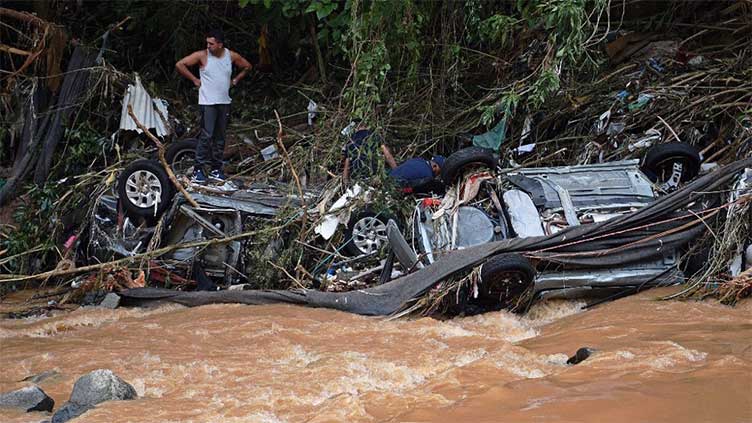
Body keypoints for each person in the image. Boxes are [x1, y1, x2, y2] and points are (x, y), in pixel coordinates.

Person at [175, 29, 252, 183]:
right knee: (207, 135)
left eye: (211, 43)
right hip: (208, 102)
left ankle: (216, 169)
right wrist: (195, 80)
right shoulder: (202, 56)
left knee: (220, 137)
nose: (208, 46)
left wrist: (235, 80)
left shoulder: (231, 56)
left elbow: (247, 66)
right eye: (207, 43)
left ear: (220, 44)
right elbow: (180, 64)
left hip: (224, 101)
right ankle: (198, 170)